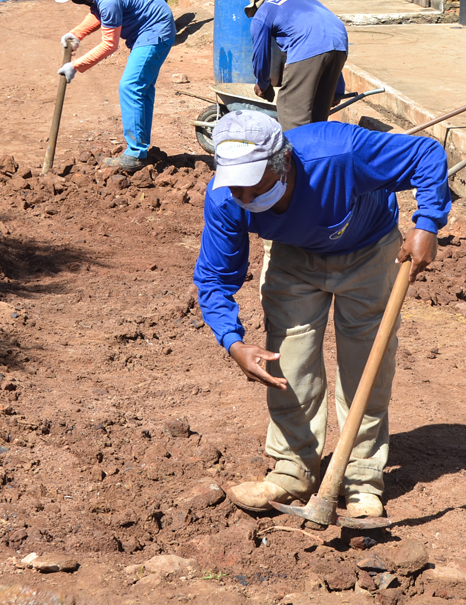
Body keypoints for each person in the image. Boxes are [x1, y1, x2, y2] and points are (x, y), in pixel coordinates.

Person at [193, 111, 450, 518]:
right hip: (293, 257)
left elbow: (425, 153)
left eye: (251, 182)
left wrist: (428, 223)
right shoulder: (226, 197)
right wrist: (234, 342)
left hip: (369, 249)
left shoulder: (338, 153)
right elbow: (214, 277)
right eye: (234, 183)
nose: (242, 195)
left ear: (282, 164)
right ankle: (292, 470)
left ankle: (361, 478)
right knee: (289, 362)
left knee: (366, 364)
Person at [55, 0, 175, 172]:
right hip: (147, 31)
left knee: (131, 86)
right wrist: (78, 34)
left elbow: (110, 44)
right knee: (141, 90)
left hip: (155, 32)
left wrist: (76, 65)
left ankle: (136, 154)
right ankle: (140, 149)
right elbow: (98, 11)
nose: (74, 0)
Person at [246, 0, 349, 131]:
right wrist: (337, 90)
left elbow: (261, 55)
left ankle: (295, 153)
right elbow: (326, 44)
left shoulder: (263, 11)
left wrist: (262, 83)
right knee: (317, 114)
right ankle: (315, 152)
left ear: (257, 4)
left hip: (308, 47)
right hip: (341, 42)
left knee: (291, 110)